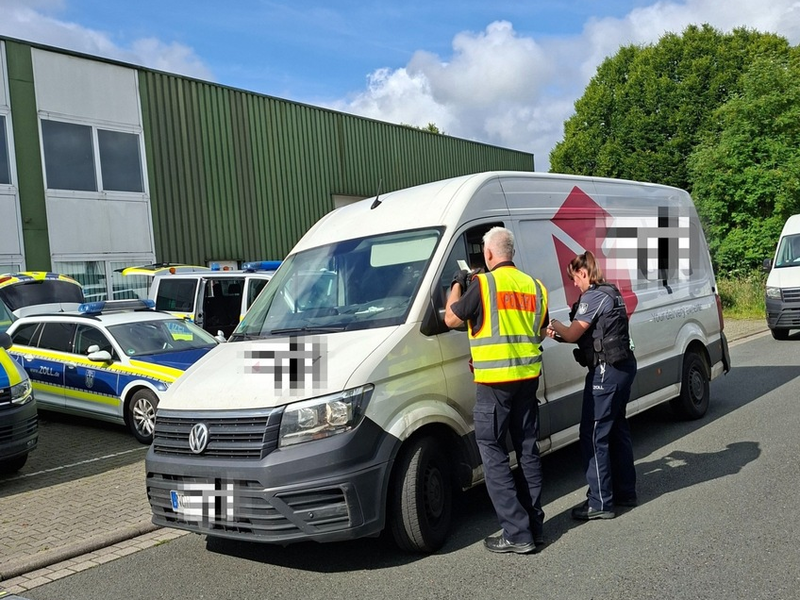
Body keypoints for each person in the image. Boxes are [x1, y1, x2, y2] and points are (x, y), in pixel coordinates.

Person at [444, 226, 548, 554]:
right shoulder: (536, 286)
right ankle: (534, 526)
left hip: (494, 384)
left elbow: (450, 318)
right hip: (527, 379)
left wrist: (457, 283)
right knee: (528, 449)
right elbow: (541, 331)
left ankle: (516, 534)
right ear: (511, 253)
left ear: (488, 254)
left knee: (491, 450)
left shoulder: (482, 284)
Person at [546, 250, 637, 520]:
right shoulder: (612, 292)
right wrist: (561, 336)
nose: (575, 284)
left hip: (606, 372)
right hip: (623, 367)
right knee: (617, 429)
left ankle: (599, 502)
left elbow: (574, 331)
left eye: (575, 279)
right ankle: (625, 492)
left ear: (584, 273)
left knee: (594, 434)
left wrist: (554, 325)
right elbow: (583, 336)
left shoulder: (594, 295)